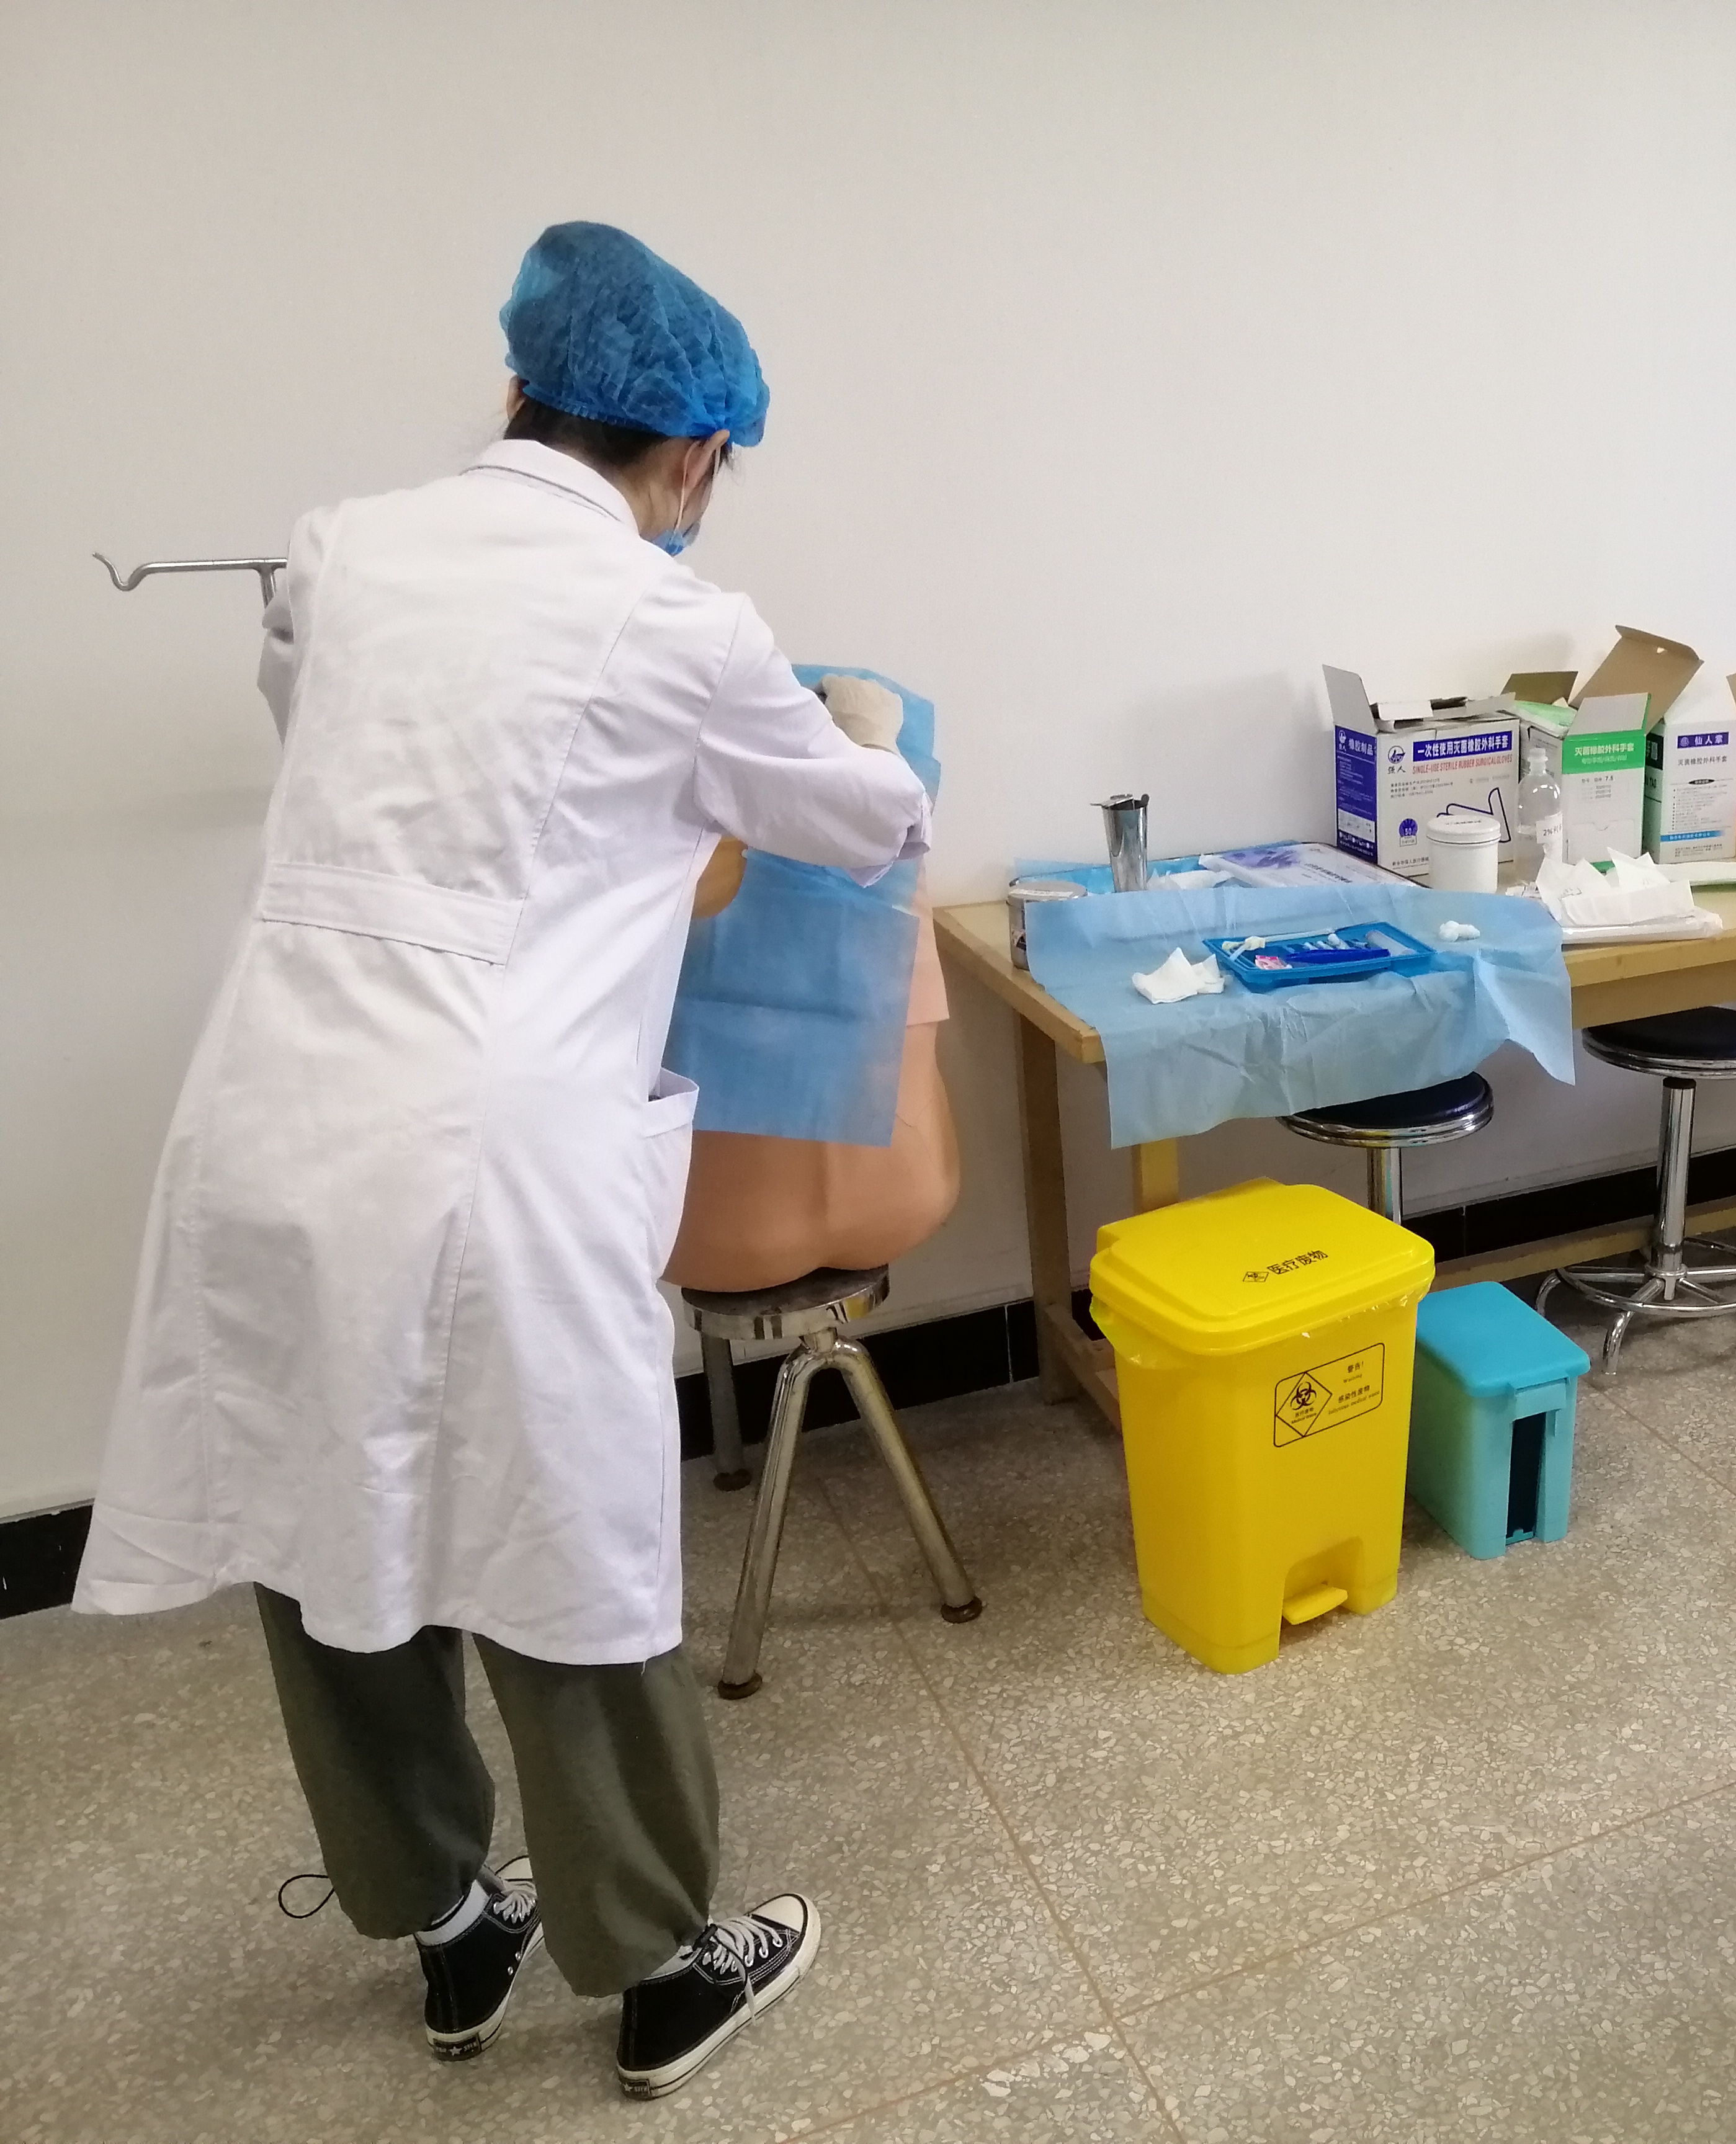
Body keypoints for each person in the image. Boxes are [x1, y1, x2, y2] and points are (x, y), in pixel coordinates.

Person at [71, 222, 932, 2100]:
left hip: (271, 1121)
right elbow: (862, 819)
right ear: (696, 453)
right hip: (485, 1150)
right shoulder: (679, 624)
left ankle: (453, 1926)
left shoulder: (345, 550)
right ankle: (666, 1967)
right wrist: (865, 737)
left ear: (523, 388)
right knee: (563, 1542)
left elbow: (344, 735)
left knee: (321, 1518)